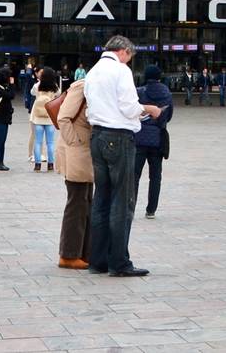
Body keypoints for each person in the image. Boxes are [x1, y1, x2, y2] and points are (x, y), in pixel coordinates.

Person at [83, 37, 163, 278]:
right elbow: (129, 107)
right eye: (130, 56)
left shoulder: (93, 71)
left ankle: (98, 260)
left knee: (101, 199)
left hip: (97, 135)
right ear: (125, 51)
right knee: (122, 200)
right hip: (118, 138)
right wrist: (149, 109)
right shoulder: (120, 70)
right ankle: (119, 261)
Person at [55, 72, 94, 268]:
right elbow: (63, 117)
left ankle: (84, 252)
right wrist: (75, 142)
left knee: (86, 202)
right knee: (77, 203)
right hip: (77, 151)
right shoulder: (81, 87)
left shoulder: (95, 87)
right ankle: (69, 255)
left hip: (85, 151)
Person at [134, 64, 173, 219]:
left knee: (134, 175)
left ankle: (131, 206)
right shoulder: (167, 94)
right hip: (157, 139)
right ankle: (151, 210)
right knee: (155, 176)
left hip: (139, 138)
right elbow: (168, 116)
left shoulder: (139, 92)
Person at [30, 69, 61, 172]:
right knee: (50, 142)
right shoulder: (54, 87)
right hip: (50, 117)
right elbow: (58, 94)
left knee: (38, 142)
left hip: (38, 117)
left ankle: (37, 164)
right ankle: (50, 164)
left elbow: (32, 93)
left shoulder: (37, 86)